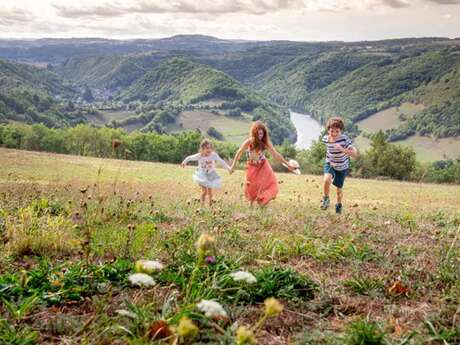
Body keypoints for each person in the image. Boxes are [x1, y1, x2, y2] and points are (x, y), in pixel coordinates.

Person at [229, 121, 295, 206]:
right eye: (259, 134)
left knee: (271, 184)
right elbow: (239, 152)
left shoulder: (265, 142)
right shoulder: (249, 142)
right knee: (251, 186)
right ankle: (251, 205)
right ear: (254, 133)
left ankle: (262, 202)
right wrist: (232, 167)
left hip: (263, 165)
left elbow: (276, 155)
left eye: (262, 134)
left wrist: (287, 164)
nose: (260, 136)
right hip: (252, 166)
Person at [320, 117, 358, 214]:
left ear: (341, 130)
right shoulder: (325, 139)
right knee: (326, 179)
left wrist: (342, 149)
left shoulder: (344, 139)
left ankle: (339, 204)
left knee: (339, 189)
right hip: (330, 163)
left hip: (342, 167)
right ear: (328, 130)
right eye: (332, 131)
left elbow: (354, 154)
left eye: (337, 131)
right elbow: (328, 149)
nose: (334, 134)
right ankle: (326, 199)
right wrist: (329, 159)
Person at [181, 139, 230, 206]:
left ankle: (210, 204)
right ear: (202, 149)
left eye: (210, 148)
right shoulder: (199, 155)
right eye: (207, 148)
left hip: (211, 174)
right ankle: (202, 205)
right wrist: (184, 162)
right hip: (202, 175)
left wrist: (228, 168)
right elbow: (190, 158)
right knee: (204, 191)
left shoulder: (213, 155)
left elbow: (221, 161)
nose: (209, 150)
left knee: (210, 192)